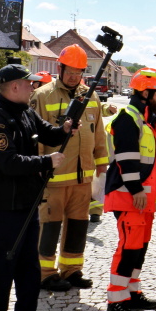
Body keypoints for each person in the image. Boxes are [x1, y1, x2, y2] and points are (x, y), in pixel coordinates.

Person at [0, 64, 75, 311]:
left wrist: (65, 127)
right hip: (1, 208)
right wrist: (46, 161)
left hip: (26, 204)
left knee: (28, 267)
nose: (33, 87)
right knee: (0, 267)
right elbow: (8, 163)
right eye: (29, 83)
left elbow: (51, 134)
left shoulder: (27, 113)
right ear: (14, 86)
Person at [30, 44, 109, 291]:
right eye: (70, 71)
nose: (75, 76)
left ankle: (72, 270)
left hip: (82, 177)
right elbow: (34, 137)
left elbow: (98, 133)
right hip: (53, 177)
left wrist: (102, 164)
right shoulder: (42, 95)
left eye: (79, 71)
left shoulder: (90, 95)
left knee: (77, 225)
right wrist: (38, 168)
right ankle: (44, 273)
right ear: (60, 68)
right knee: (50, 226)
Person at [104, 69, 156, 311]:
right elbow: (125, 157)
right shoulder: (129, 117)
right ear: (145, 93)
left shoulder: (146, 118)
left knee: (140, 248)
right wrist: (135, 190)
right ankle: (116, 300)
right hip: (129, 195)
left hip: (143, 196)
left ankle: (132, 292)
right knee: (128, 247)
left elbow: (145, 156)